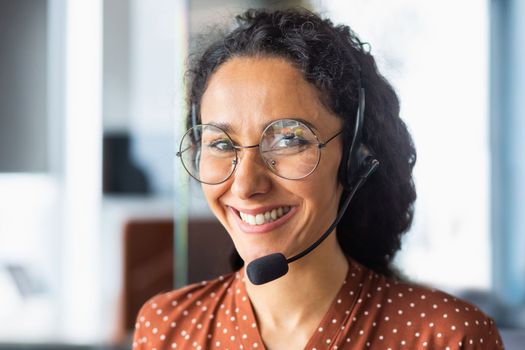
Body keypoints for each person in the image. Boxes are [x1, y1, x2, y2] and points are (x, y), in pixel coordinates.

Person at [133, 8, 504, 349]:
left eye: (288, 139)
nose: (245, 185)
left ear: (355, 160)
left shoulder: (445, 337)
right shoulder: (167, 329)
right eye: (221, 144)